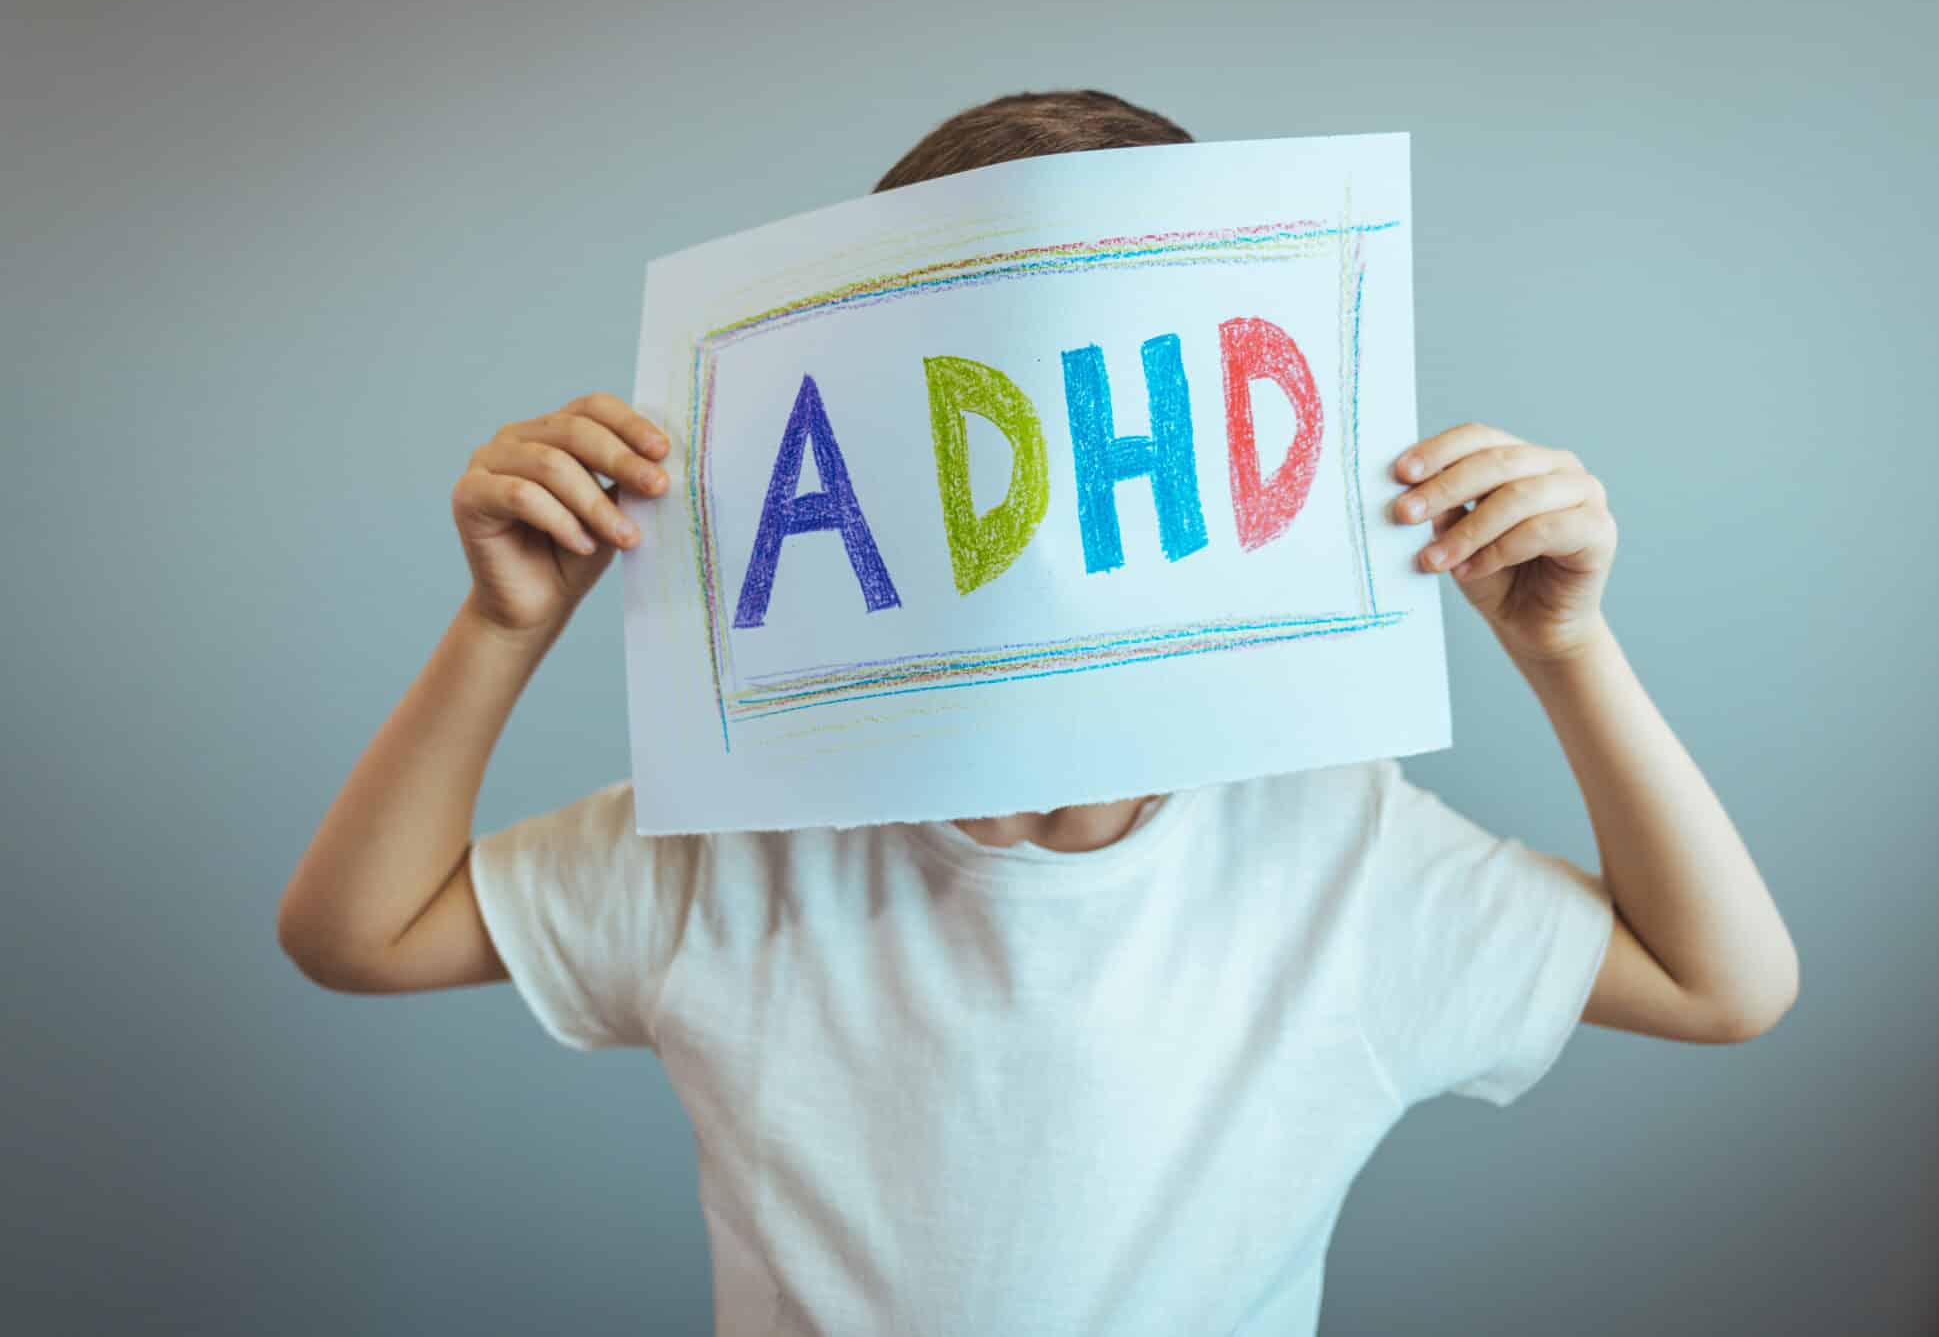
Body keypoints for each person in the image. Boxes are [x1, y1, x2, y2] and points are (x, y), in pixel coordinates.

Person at [278, 90, 1798, 1335]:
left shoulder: (1335, 850)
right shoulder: (733, 842)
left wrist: (1569, 651)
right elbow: (354, 930)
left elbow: (1724, 981)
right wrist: (501, 623)